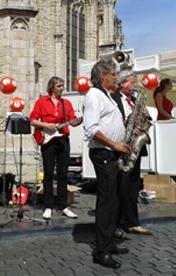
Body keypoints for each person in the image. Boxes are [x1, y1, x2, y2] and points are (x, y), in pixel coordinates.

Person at [83, 59, 131, 269]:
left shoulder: (108, 96)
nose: (115, 77)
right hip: (104, 152)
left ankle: (109, 243)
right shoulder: (94, 95)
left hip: (112, 152)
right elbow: (91, 130)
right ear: (102, 75)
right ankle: (101, 252)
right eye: (112, 74)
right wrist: (115, 145)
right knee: (106, 200)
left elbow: (109, 122)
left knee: (114, 199)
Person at [30, 76, 82, 220]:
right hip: (47, 141)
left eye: (62, 85)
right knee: (48, 173)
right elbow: (33, 120)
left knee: (63, 173)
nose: (62, 88)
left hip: (63, 140)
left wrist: (80, 120)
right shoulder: (41, 102)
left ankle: (63, 206)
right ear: (52, 87)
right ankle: (48, 206)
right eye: (59, 86)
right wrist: (46, 125)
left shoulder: (67, 103)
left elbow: (72, 121)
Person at [111, 69, 152, 237]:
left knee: (134, 187)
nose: (136, 86)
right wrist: (126, 123)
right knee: (120, 188)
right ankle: (117, 224)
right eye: (133, 83)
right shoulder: (113, 99)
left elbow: (142, 121)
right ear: (123, 83)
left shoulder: (135, 100)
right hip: (122, 145)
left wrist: (146, 118)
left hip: (135, 146)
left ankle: (133, 222)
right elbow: (111, 122)